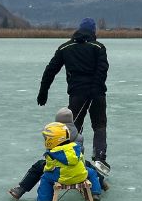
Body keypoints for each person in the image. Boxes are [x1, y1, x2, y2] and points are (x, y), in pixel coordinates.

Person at [36, 17, 110, 176]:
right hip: (97, 94)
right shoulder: (98, 47)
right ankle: (100, 158)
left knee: (74, 126)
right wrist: (95, 89)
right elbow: (102, 70)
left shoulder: (65, 47)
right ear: (93, 31)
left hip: (77, 94)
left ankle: (74, 156)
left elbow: (50, 70)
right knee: (99, 125)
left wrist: (43, 91)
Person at [8, 107, 107, 200]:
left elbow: (50, 152)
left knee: (38, 166)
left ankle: (21, 189)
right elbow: (80, 152)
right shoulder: (78, 136)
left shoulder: (54, 134)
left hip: (58, 169)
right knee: (89, 166)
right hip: (76, 165)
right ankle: (102, 183)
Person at [36, 121, 102, 201]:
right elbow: (82, 160)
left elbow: (49, 167)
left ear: (52, 140)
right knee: (93, 172)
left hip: (62, 178)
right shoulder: (76, 147)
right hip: (81, 175)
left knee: (45, 178)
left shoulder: (52, 153)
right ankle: (95, 193)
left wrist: (47, 171)